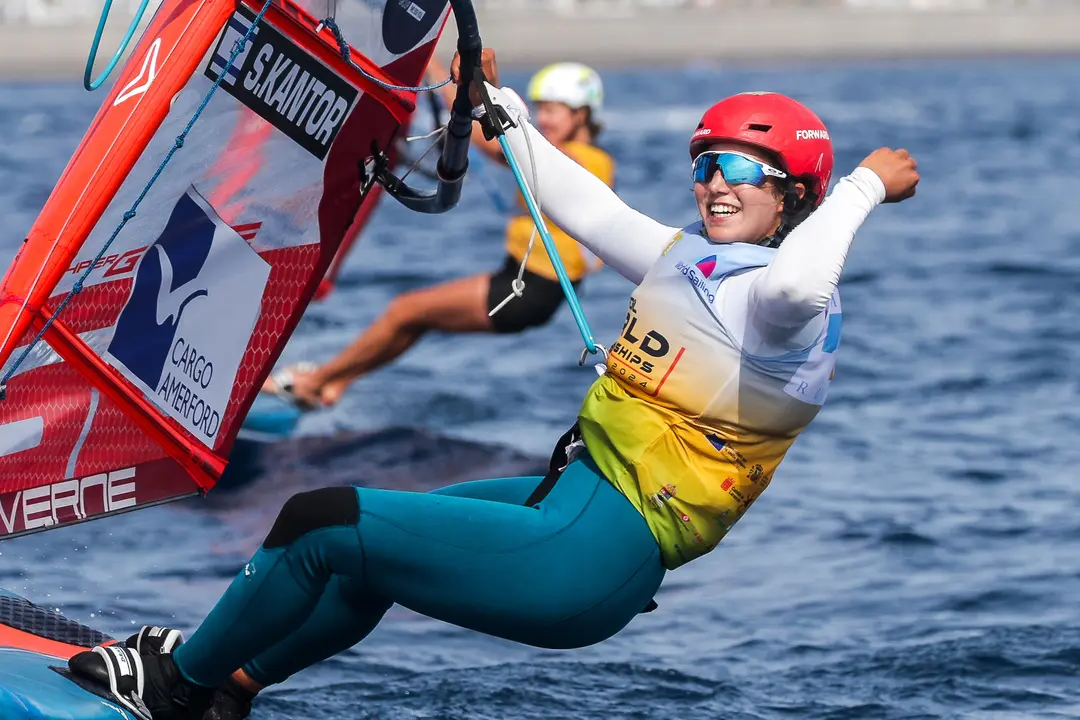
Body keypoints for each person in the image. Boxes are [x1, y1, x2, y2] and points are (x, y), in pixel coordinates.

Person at [68, 49, 920, 720]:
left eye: (741, 168)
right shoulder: (690, 260)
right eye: (706, 166)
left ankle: (175, 685)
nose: (715, 184)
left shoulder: (788, 310)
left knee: (321, 520)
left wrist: (863, 187)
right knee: (361, 564)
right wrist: (492, 104)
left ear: (794, 195)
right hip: (573, 506)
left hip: (590, 552)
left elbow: (798, 284)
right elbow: (584, 205)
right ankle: (230, 689)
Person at [261, 60, 614, 409]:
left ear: (581, 115)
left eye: (552, 111)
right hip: (523, 285)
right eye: (540, 110)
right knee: (414, 319)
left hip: (528, 290)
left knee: (404, 310)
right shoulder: (560, 154)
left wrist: (448, 86)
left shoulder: (586, 160)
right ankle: (336, 383)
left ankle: (314, 383)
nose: (543, 119)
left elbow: (500, 146)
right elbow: (503, 148)